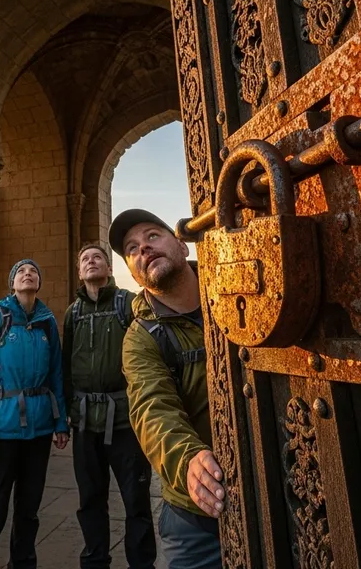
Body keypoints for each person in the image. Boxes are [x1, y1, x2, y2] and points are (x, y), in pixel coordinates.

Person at [110, 210, 224, 569]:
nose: (143, 247)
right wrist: (188, 459)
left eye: (153, 236)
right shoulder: (140, 338)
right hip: (196, 511)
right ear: (132, 272)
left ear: (180, 243)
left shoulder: (234, 287)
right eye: (131, 248)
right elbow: (151, 409)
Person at [0, 259, 70, 569]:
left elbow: (56, 376)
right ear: (12, 283)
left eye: (33, 271)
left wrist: (60, 421)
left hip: (37, 432)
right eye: (21, 272)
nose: (28, 274)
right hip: (2, 431)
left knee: (29, 510)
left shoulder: (47, 322)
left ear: (39, 282)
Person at [63, 243, 156, 569]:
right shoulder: (72, 313)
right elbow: (65, 366)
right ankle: (94, 561)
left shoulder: (128, 304)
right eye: (85, 259)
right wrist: (66, 416)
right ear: (79, 271)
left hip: (125, 421)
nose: (91, 262)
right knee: (90, 499)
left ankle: (141, 564)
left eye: (97, 257)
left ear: (109, 267)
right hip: (85, 422)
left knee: (136, 501)